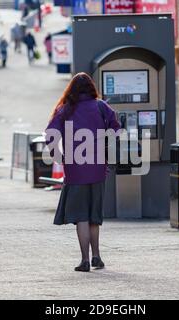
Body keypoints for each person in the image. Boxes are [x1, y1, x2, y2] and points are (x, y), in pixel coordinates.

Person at [45, 73, 120, 272]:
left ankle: (85, 260)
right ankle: (97, 257)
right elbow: (116, 126)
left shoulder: (65, 109)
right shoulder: (100, 106)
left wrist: (58, 156)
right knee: (94, 216)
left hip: (75, 169)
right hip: (97, 168)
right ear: (91, 88)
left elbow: (50, 133)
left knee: (81, 217)